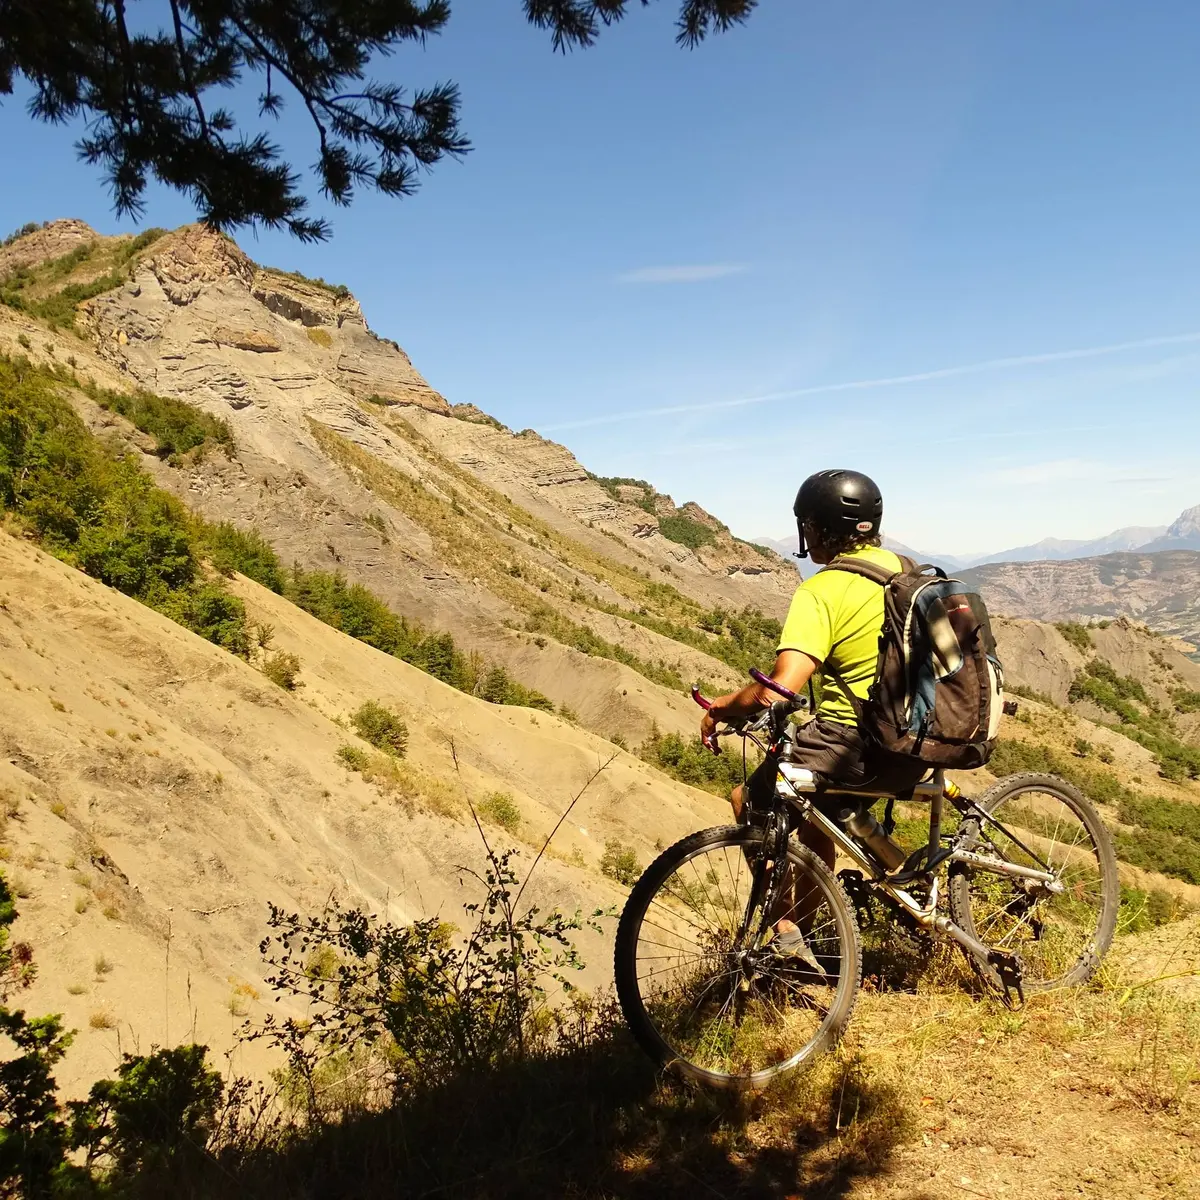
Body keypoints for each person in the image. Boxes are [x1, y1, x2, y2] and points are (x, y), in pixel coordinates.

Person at [699, 468, 924, 890]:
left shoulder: (823, 589)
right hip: (917, 744)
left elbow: (777, 690)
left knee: (747, 799)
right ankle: (818, 926)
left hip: (854, 746)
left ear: (816, 527)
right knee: (816, 820)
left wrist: (721, 707)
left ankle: (787, 929)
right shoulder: (906, 572)